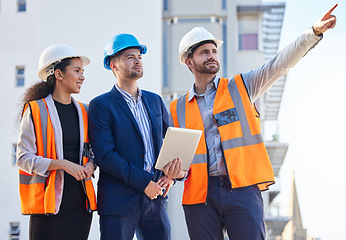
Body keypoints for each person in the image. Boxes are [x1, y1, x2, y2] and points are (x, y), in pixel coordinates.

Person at [164, 4, 338, 240]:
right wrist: (175, 172)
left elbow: (280, 64)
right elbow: (179, 160)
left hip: (242, 189)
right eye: (204, 52)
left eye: (214, 51)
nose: (212, 56)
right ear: (189, 62)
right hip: (200, 197)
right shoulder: (177, 108)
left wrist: (313, 33)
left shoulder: (242, 87)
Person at [88, 33, 172, 240]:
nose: (137, 60)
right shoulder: (101, 105)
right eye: (130, 57)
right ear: (113, 65)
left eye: (139, 57)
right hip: (119, 200)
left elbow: (171, 141)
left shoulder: (155, 101)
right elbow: (105, 156)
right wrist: (145, 183)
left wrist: (171, 175)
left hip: (156, 199)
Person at [16, 44, 97, 240]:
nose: (82, 77)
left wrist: (91, 165)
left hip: (80, 204)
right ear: (58, 74)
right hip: (47, 206)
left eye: (83, 71)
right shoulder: (35, 110)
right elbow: (23, 158)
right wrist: (61, 164)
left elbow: (93, 151)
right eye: (76, 71)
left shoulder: (86, 111)